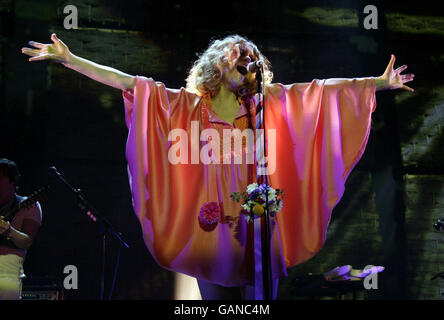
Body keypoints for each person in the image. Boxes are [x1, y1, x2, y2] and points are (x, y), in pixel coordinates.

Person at [21, 33, 414, 300]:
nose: (248, 64)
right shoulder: (185, 107)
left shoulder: (267, 103)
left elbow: (321, 90)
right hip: (209, 229)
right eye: (240, 59)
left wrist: (376, 83)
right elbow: (129, 84)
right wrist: (71, 60)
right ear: (218, 66)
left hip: (259, 222)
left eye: (252, 60)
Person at [0, 158, 42, 300]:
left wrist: (9, 231)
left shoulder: (29, 205)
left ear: (13, 180)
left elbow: (27, 242)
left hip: (7, 275)